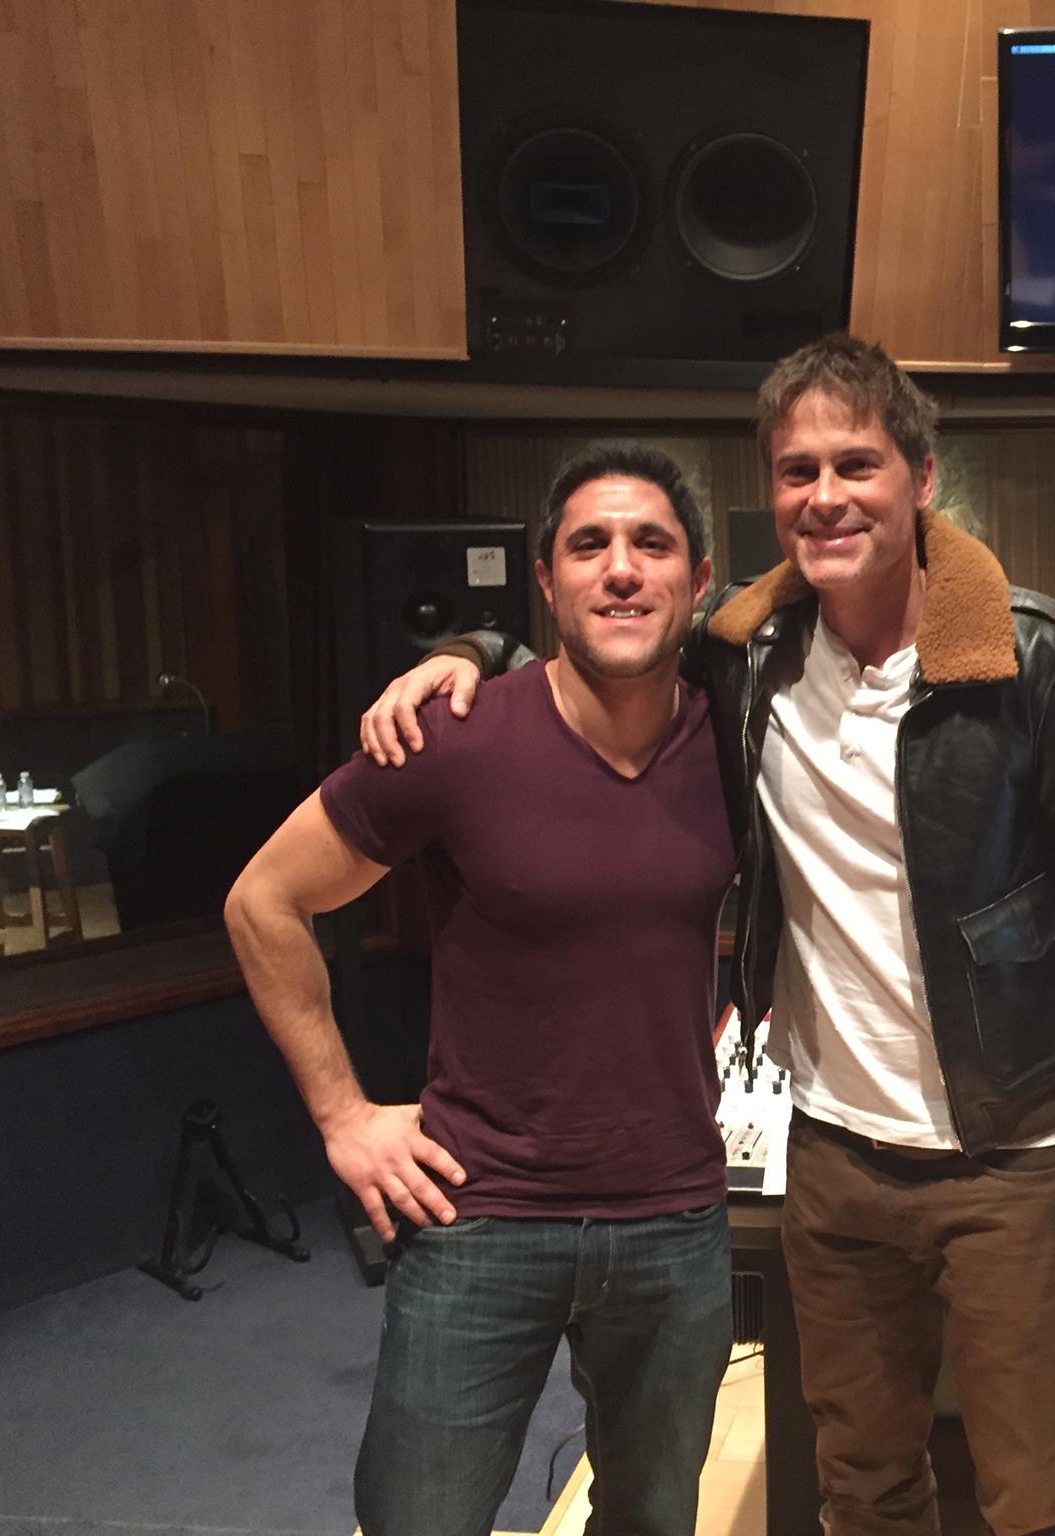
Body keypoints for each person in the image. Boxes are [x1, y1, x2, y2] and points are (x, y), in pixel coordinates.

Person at [361, 335, 1055, 1536]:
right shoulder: (748, 656)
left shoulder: (1037, 661)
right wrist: (467, 652)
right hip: (837, 1157)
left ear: (920, 478)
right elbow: (598, 649)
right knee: (859, 1480)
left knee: (1028, 1493)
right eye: (797, 471)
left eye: (856, 464)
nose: (825, 495)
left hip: (1014, 1156)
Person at [226, 444, 737, 1536]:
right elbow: (263, 901)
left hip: (674, 1218)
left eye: (651, 544)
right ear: (544, 581)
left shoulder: (734, 736)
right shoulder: (453, 736)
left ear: (699, 580)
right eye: (588, 545)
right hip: (480, 1214)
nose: (621, 569)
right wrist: (343, 1115)